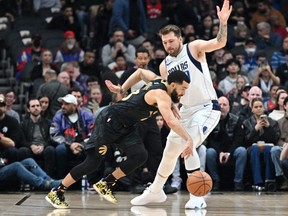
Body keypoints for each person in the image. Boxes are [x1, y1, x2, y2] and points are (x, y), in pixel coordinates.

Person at [130, 0, 232, 209]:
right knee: (170, 150)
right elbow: (170, 93)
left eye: (171, 41)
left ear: (179, 39)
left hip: (206, 107)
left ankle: (197, 196)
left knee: (188, 144)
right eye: (165, 42)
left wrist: (223, 23)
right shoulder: (164, 65)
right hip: (185, 111)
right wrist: (173, 106)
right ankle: (156, 191)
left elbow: (219, 43)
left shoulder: (193, 48)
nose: (168, 45)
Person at [45, 69, 192, 209]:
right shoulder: (162, 95)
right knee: (92, 162)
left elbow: (140, 73)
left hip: (126, 126)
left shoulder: (158, 81)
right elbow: (171, 121)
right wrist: (188, 139)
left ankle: (107, 183)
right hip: (109, 120)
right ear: (173, 85)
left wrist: (122, 89)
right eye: (183, 89)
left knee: (139, 155)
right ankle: (57, 192)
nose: (183, 93)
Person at [206, 96, 247, 191]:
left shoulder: (236, 120)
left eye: (224, 104)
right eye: (220, 104)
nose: (222, 107)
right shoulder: (210, 120)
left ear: (229, 107)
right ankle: (215, 181)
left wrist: (229, 153)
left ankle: (238, 182)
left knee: (242, 151)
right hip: (217, 151)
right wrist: (220, 152)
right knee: (209, 152)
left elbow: (238, 140)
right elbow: (210, 140)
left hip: (232, 150)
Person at [242, 98, 280, 190]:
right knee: (255, 150)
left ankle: (268, 180)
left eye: (260, 106)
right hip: (252, 147)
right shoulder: (246, 122)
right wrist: (255, 129)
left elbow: (274, 139)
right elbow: (246, 140)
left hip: (268, 146)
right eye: (256, 107)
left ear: (264, 108)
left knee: (268, 150)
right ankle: (257, 182)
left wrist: (268, 128)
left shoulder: (272, 122)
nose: (258, 109)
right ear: (252, 109)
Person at [18, 98, 56, 177]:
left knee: (50, 150)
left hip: (44, 147)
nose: (36, 108)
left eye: (38, 106)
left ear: (41, 108)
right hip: (30, 148)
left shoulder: (48, 123)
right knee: (22, 150)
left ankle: (48, 180)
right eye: (33, 106)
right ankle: (29, 180)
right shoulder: (23, 124)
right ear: (28, 109)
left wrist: (43, 146)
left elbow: (52, 139)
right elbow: (21, 140)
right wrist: (31, 146)